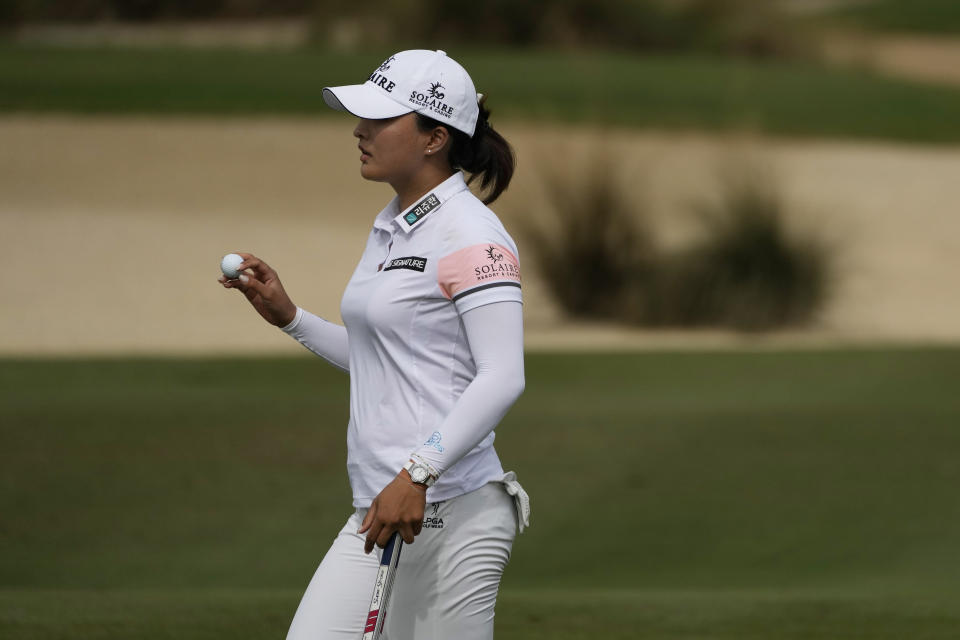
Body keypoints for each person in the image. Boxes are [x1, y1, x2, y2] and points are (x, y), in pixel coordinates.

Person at [219, 49, 530, 640]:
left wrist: (417, 472)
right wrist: (291, 318)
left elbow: (503, 375)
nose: (359, 130)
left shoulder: (471, 234)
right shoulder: (393, 223)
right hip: (381, 511)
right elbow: (382, 358)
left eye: (381, 119)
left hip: (454, 512)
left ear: (435, 137)